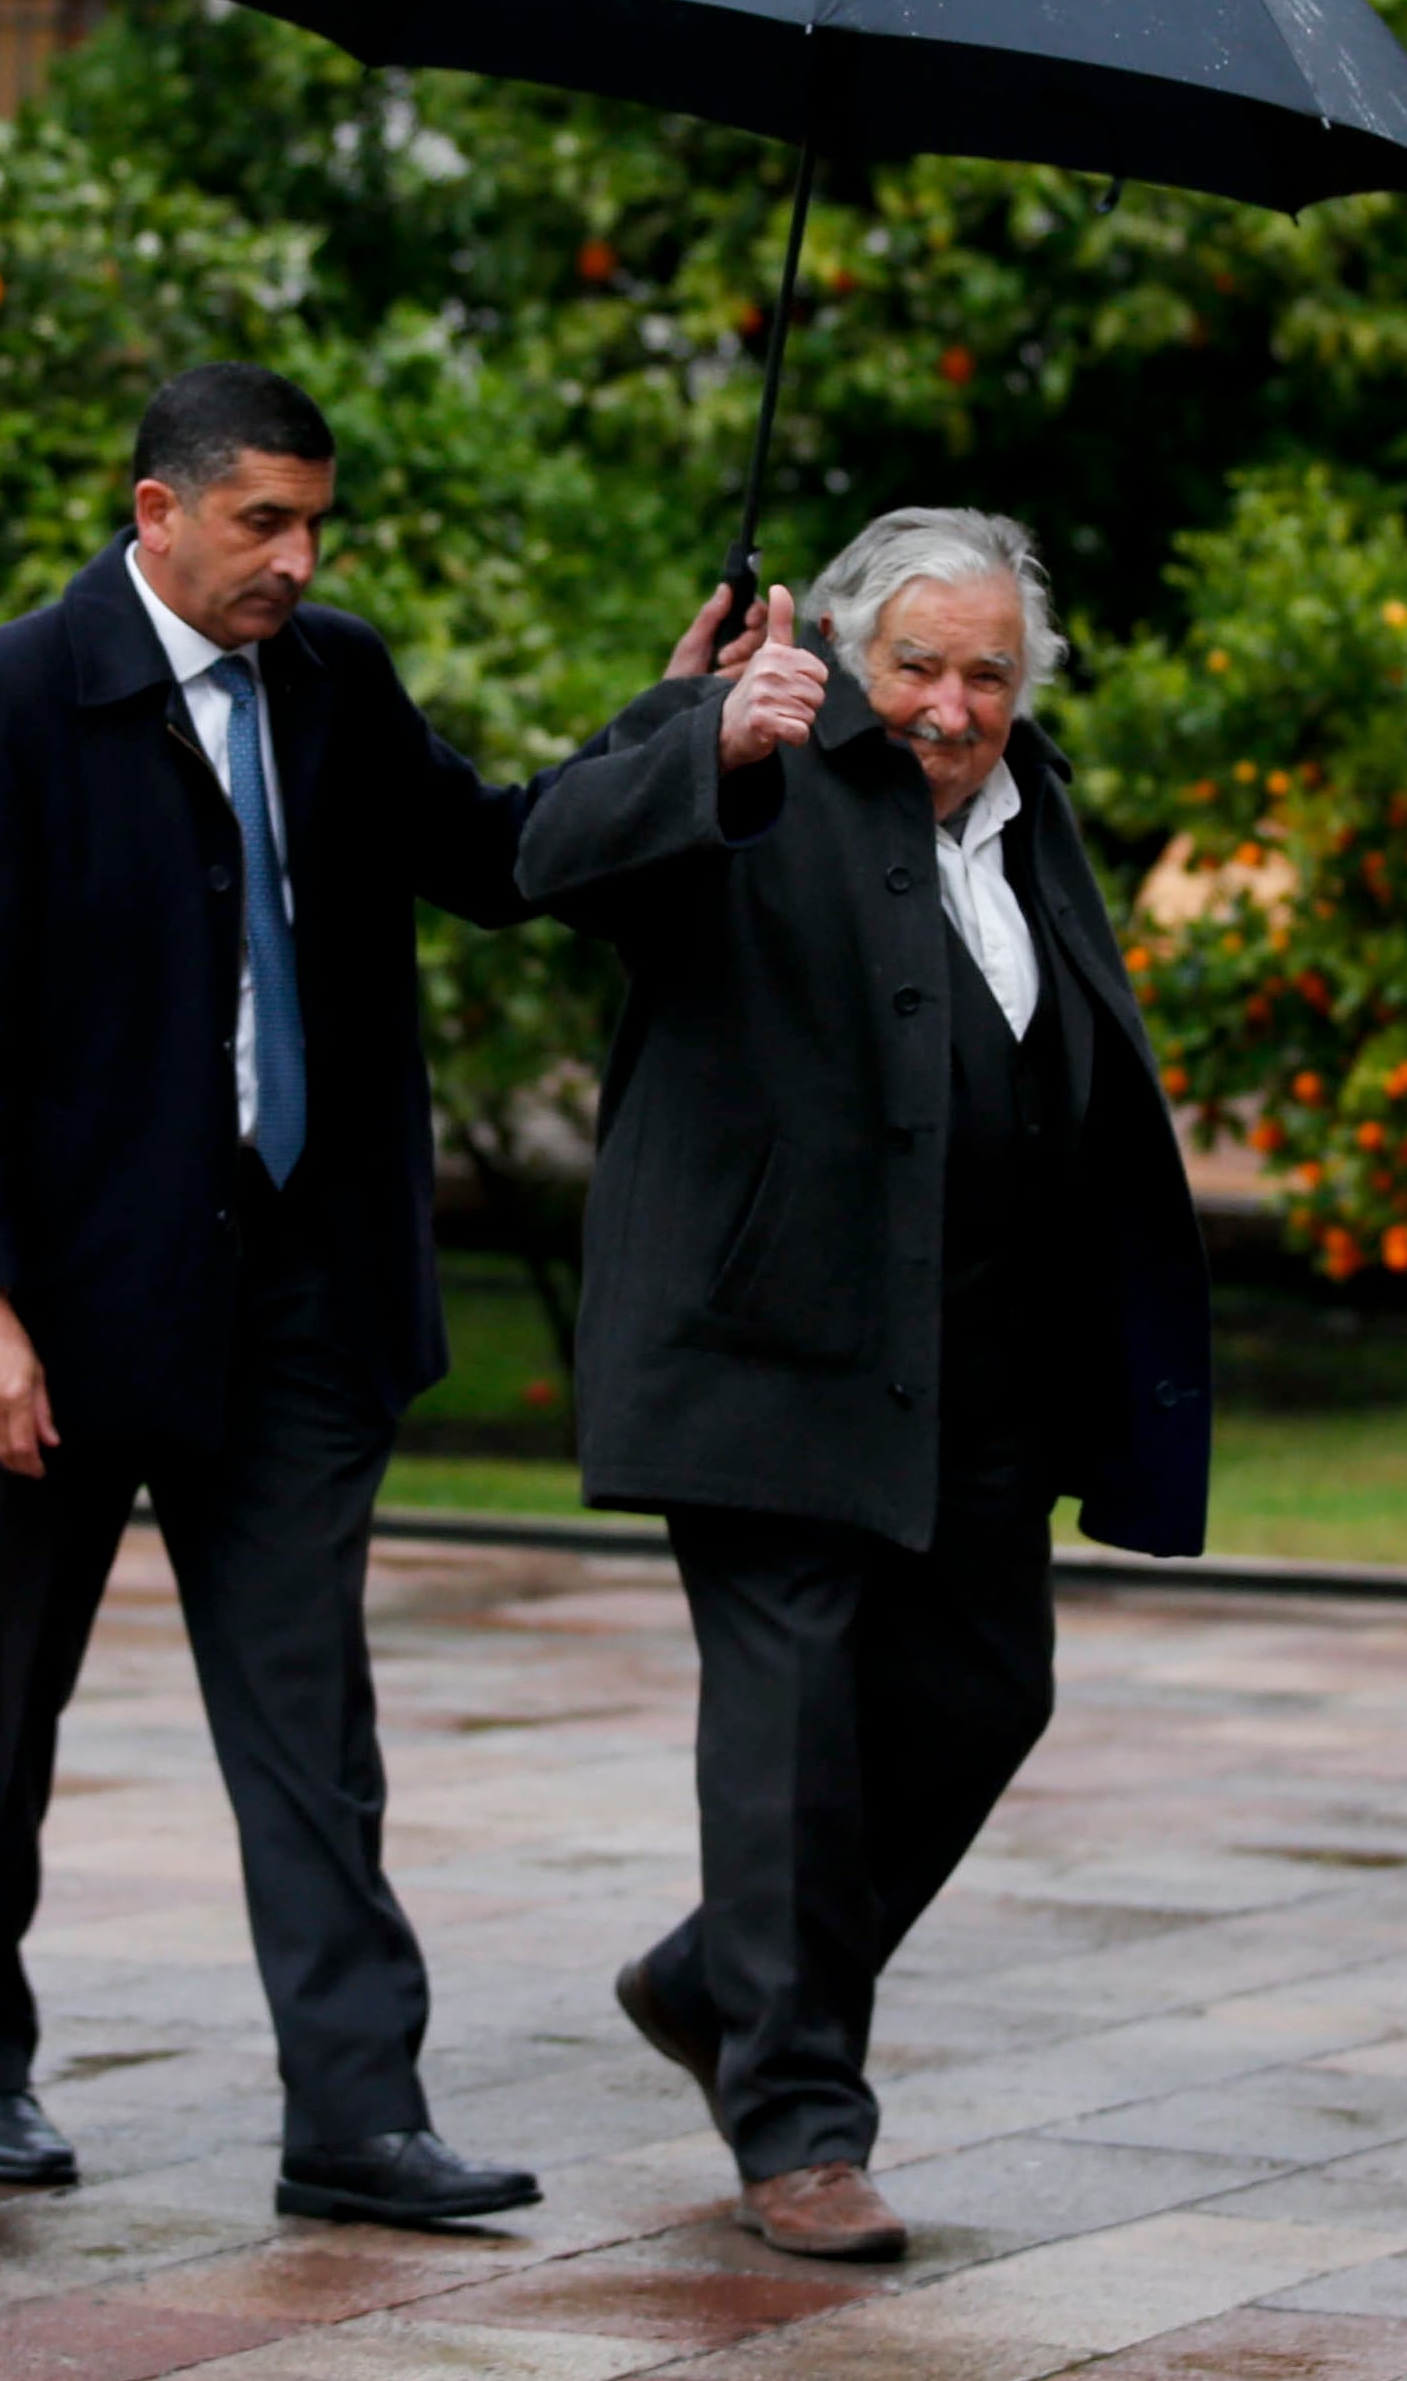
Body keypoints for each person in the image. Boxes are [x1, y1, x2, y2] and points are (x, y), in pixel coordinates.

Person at [0, 361, 758, 2226]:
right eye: (262, 521)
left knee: (311, 1724)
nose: (296, 558)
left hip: (295, 1300)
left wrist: (677, 731)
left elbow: (503, 855)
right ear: (156, 514)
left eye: (313, 523)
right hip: (66, 1308)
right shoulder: (0, 700)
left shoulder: (337, 679)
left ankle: (354, 2114)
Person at [513, 507, 1212, 2265]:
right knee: (797, 1740)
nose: (955, 706)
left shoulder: (1028, 806)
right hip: (763, 1346)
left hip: (972, 1352)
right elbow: (550, 857)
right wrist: (696, 742)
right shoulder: (736, 743)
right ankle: (801, 2129)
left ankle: (711, 1976)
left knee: (987, 1695)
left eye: (990, 671)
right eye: (919, 666)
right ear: (844, 652)